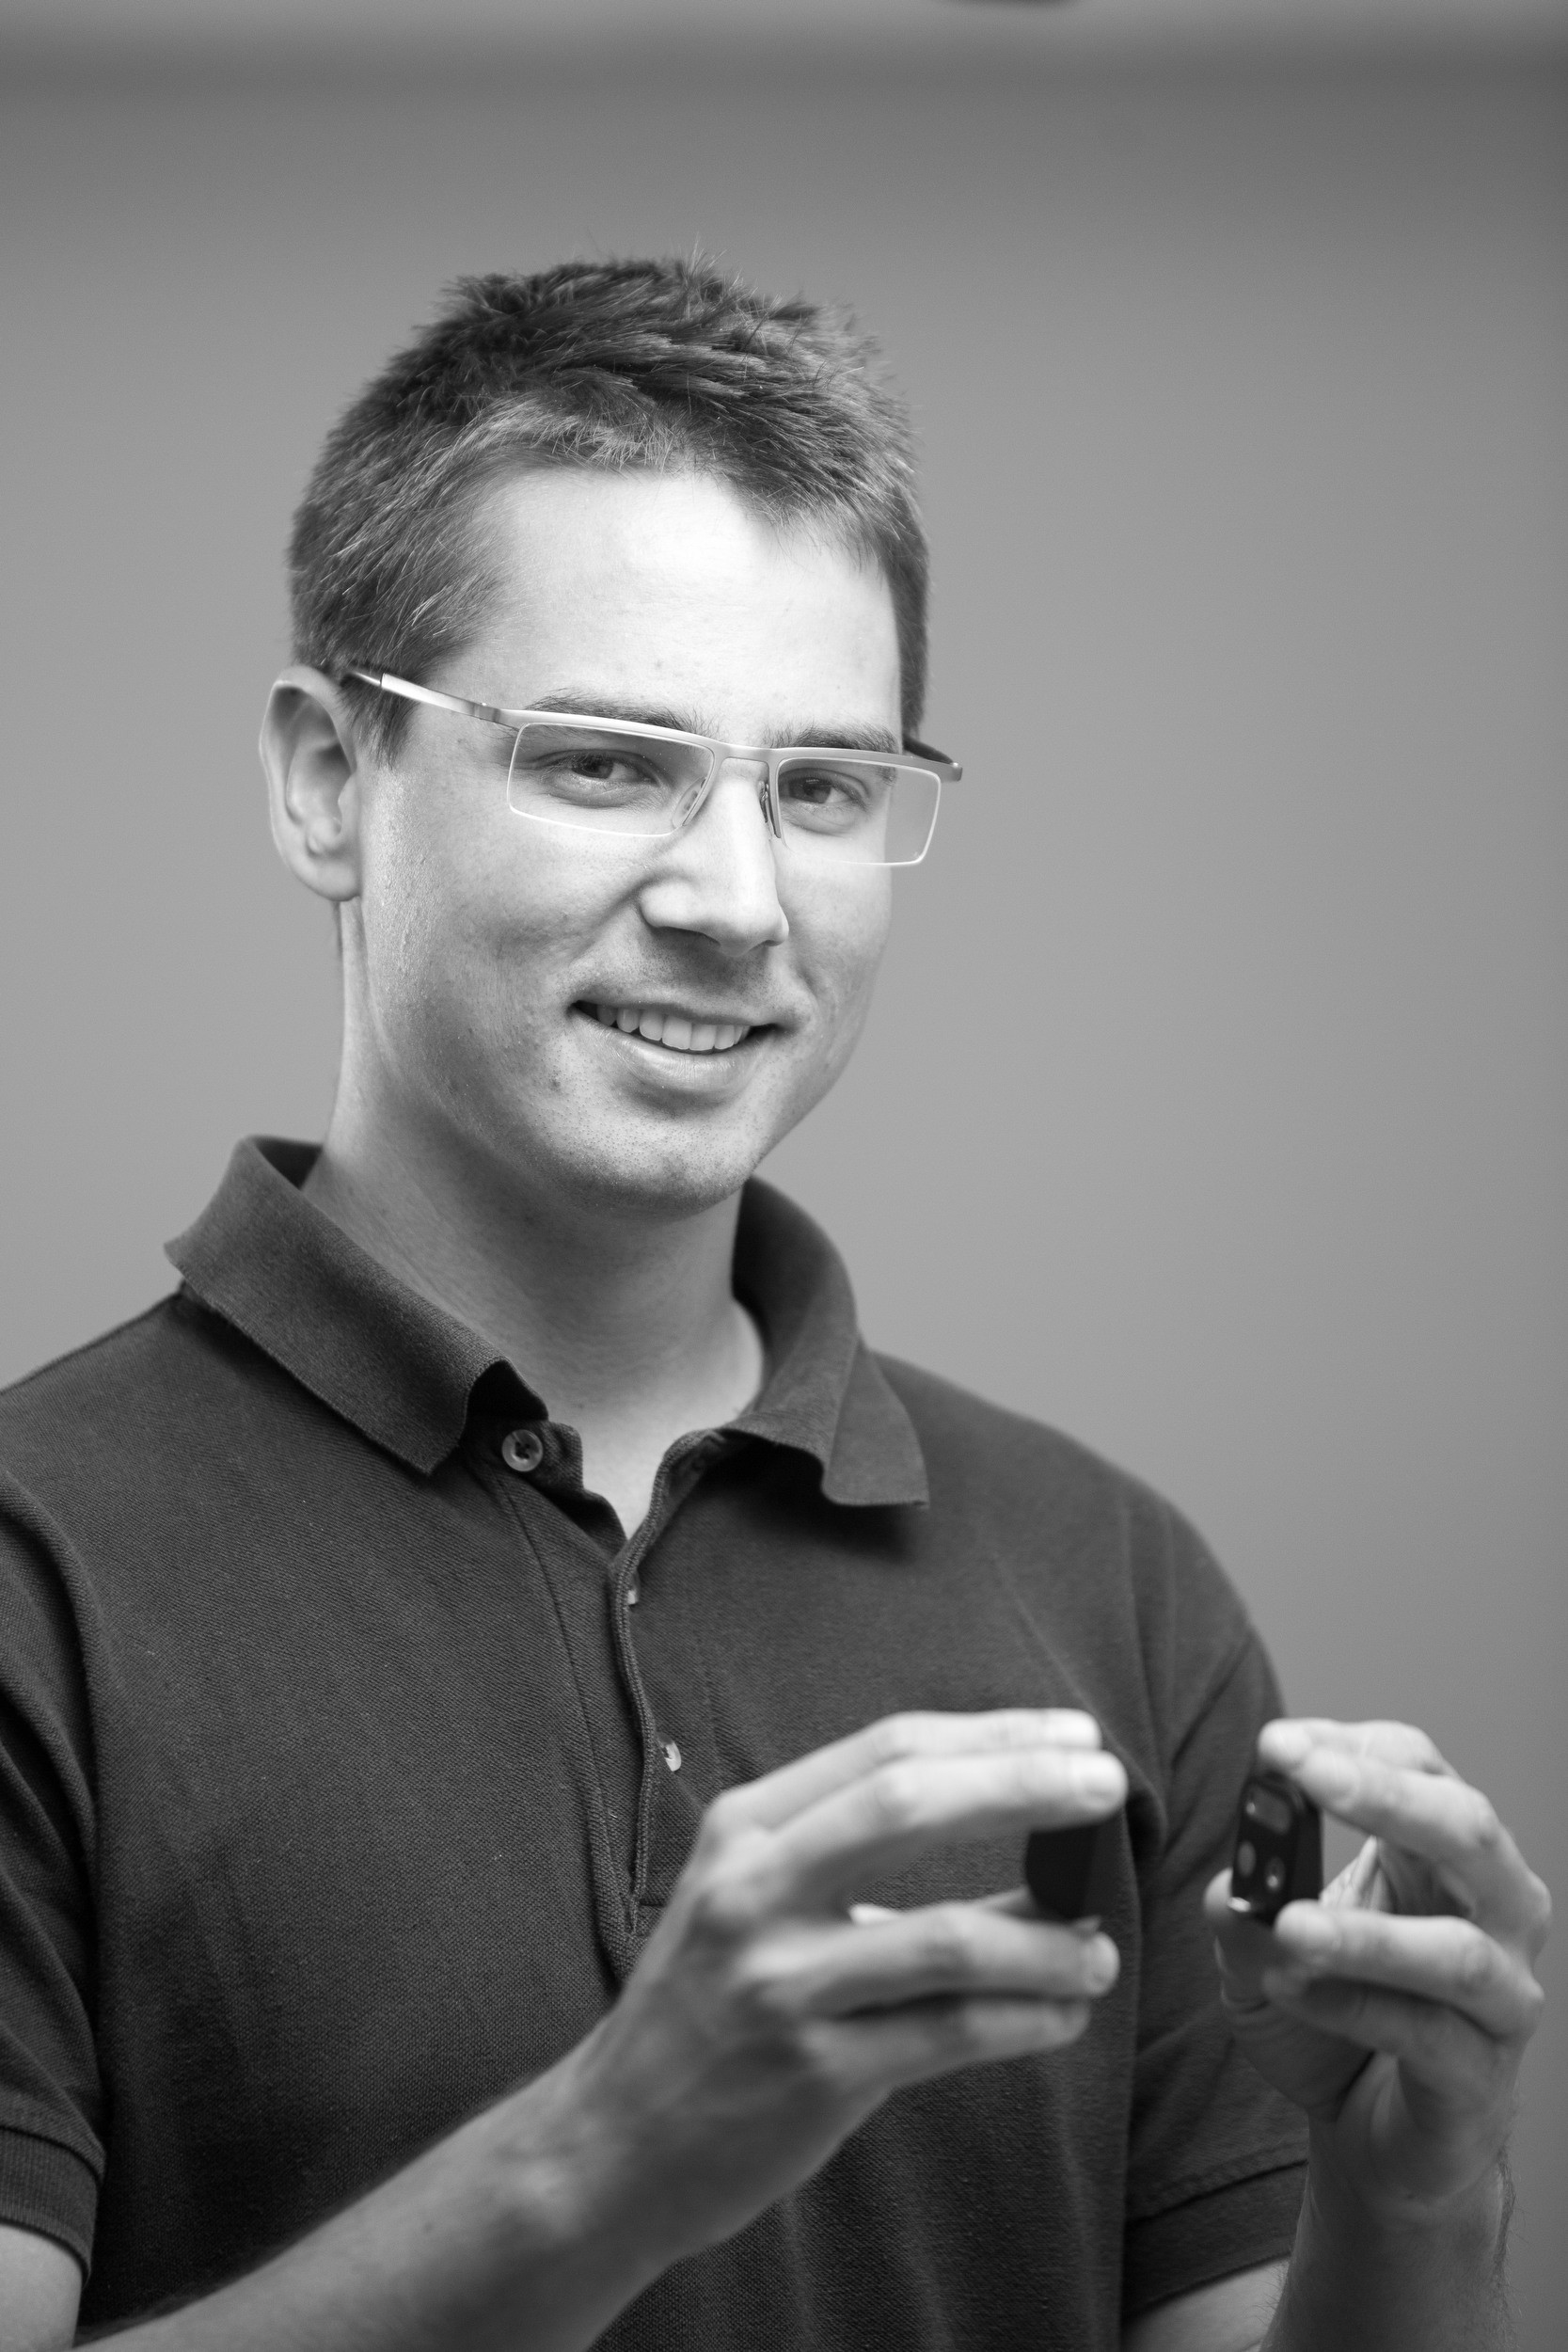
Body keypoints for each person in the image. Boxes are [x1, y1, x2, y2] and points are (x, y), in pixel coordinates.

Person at [0, 259, 1547, 2352]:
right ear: (327, 779)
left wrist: (1419, 2195)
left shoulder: (1110, 1585)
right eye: (608, 761)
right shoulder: (32, 1571)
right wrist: (605, 2157)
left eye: (822, 787)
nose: (737, 902)